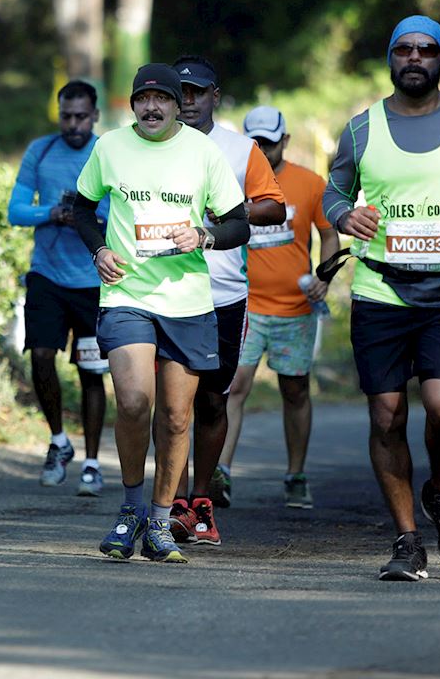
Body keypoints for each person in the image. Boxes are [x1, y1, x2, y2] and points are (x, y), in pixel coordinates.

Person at [322, 14, 440, 581]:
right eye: (405, 49)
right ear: (390, 59)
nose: (416, 58)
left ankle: (438, 490)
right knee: (386, 415)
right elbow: (333, 190)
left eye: (427, 49)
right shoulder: (361, 128)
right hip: (380, 289)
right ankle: (406, 540)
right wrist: (344, 216)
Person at [71, 63, 250, 563]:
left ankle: (160, 517)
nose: (152, 107)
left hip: (189, 302)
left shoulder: (202, 152)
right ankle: (129, 510)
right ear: (132, 105)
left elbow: (239, 225)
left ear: (177, 106)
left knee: (175, 417)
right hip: (126, 293)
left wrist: (203, 236)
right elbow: (81, 207)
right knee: (132, 401)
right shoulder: (110, 147)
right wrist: (97, 251)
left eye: (162, 99)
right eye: (142, 99)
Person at [168, 56, 286, 547]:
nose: (189, 100)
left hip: (222, 295)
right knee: (172, 407)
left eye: (198, 92)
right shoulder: (151, 143)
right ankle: (170, 504)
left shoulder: (240, 149)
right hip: (165, 292)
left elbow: (274, 205)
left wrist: (228, 207)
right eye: (182, 91)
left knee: (213, 402)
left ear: (216, 96)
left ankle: (201, 503)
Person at [219, 105, 340, 509]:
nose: (261, 149)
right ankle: (221, 474)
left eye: (269, 142)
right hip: (246, 306)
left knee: (295, 391)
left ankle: (295, 475)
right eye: (254, 142)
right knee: (234, 387)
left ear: (284, 141)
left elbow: (329, 235)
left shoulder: (309, 183)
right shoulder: (232, 180)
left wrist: (325, 276)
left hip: (295, 310)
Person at [7, 80, 110, 495]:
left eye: (81, 117)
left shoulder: (108, 152)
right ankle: (58, 441)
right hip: (47, 275)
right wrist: (52, 212)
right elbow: (15, 211)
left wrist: (86, 217)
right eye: (66, 116)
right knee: (41, 357)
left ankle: (91, 463)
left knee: (91, 372)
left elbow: (123, 211)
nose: (73, 124)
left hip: (92, 279)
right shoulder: (41, 151)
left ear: (95, 115)